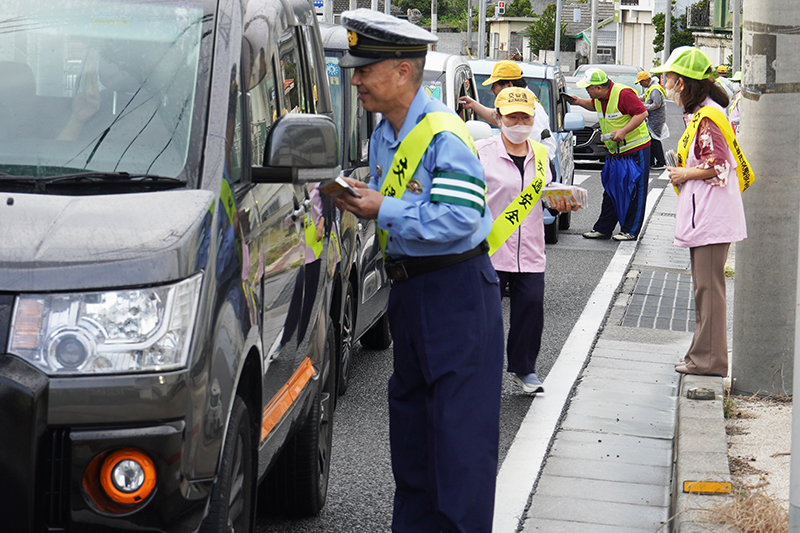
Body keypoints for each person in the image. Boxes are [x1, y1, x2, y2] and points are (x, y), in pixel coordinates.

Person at [330, 9, 505, 532]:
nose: (355, 78)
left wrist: (380, 207)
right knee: (413, 441)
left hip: (455, 293)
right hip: (408, 294)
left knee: (458, 446)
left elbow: (459, 216)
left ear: (403, 72)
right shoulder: (384, 134)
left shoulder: (444, 135)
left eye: (365, 68)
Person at [652, 47, 747, 377]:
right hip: (707, 215)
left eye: (669, 78)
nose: (665, 83)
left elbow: (719, 167)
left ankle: (709, 361)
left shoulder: (707, 118)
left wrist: (683, 174)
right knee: (705, 289)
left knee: (709, 290)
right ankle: (700, 356)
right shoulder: (704, 114)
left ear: (683, 82)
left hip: (711, 217)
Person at [477, 86, 578, 395]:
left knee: (531, 308)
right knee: (485, 316)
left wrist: (560, 202)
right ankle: (480, 371)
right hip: (492, 248)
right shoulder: (481, 152)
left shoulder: (541, 154)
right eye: (512, 117)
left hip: (530, 249)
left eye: (525, 116)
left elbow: (545, 195)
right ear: (498, 118)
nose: (519, 122)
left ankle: (524, 369)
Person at [566, 67, 651, 241]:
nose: (586, 91)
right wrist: (579, 101)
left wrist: (624, 131)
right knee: (611, 189)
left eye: (588, 88)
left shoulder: (623, 94)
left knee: (636, 190)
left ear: (598, 88)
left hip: (636, 148)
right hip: (615, 150)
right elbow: (594, 104)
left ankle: (630, 230)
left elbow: (642, 113)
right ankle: (604, 229)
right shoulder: (601, 97)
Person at [458, 60, 557, 158]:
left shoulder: (530, 106)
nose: (492, 89)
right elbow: (495, 116)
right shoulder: (519, 100)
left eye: (495, 85)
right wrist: (473, 105)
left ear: (509, 85)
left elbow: (526, 145)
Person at [636, 70, 667, 170]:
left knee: (654, 140)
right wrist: (636, 99)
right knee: (651, 139)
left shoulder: (655, 89)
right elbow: (645, 97)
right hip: (653, 117)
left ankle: (660, 162)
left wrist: (644, 107)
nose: (640, 84)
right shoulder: (651, 87)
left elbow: (656, 104)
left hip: (656, 118)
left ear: (646, 80)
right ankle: (652, 161)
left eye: (641, 82)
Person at [729, 70, 742, 135]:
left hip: (738, 131)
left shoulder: (741, 98)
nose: (733, 84)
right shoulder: (738, 96)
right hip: (735, 130)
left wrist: (732, 121)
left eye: (735, 82)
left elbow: (743, 117)